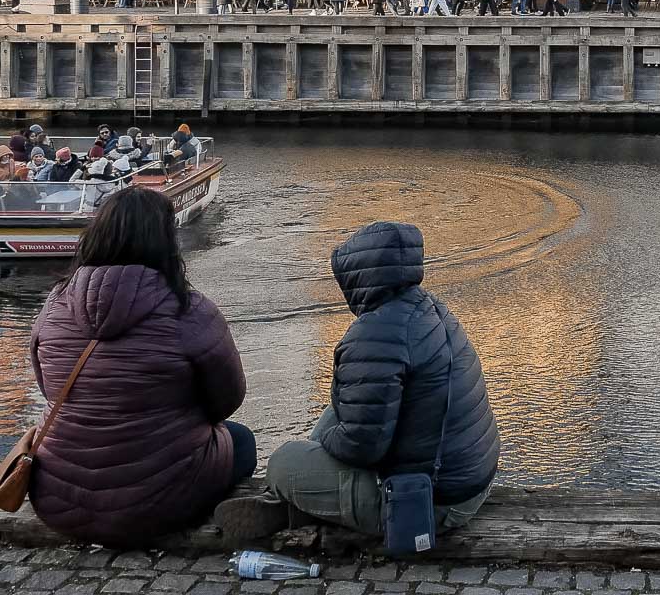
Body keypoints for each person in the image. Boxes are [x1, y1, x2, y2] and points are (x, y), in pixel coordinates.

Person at [215, 221, 499, 543]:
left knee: (282, 463)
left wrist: (325, 445)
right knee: (340, 409)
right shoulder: (433, 309)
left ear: (359, 277)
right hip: (472, 479)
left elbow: (361, 447)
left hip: (430, 504)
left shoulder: (374, 335)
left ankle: (295, 501)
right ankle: (306, 498)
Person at [27, 185, 253, 547]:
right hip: (158, 504)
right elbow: (227, 401)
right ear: (167, 241)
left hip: (57, 500)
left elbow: (49, 388)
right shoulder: (189, 310)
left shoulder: (55, 303)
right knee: (240, 439)